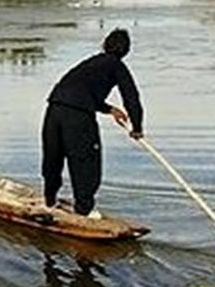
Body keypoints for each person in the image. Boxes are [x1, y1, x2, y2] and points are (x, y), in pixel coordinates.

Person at [42, 28, 144, 218]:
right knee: (86, 161)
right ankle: (84, 210)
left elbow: (80, 92)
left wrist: (109, 109)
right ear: (126, 51)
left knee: (53, 157)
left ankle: (49, 200)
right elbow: (131, 97)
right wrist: (137, 127)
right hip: (78, 117)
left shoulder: (90, 63)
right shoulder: (117, 66)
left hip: (54, 109)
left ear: (105, 44)